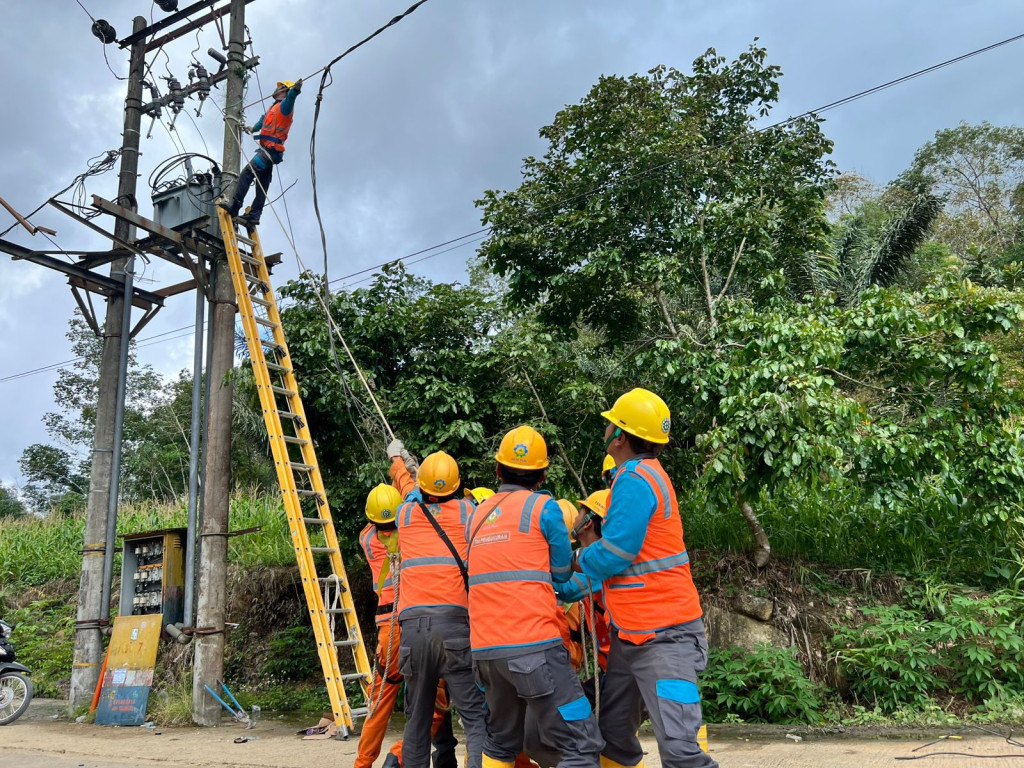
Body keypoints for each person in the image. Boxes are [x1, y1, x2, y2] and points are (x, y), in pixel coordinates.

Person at [572, 389, 717, 768]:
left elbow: (616, 554)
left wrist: (573, 559)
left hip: (664, 636)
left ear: (619, 436)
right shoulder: (640, 476)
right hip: (633, 635)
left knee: (681, 750)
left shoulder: (635, 480)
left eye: (610, 424)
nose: (605, 429)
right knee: (613, 734)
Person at [466, 425, 603, 768]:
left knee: (500, 743)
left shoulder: (475, 515)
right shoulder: (545, 509)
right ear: (542, 474)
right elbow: (560, 576)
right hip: (533, 649)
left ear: (497, 470)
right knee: (581, 741)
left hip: (485, 653)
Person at [396, 451, 488, 768]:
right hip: (455, 627)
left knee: (417, 721)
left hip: (413, 629)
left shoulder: (405, 515)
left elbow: (409, 491)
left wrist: (398, 462)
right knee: (475, 719)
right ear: (456, 486)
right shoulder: (468, 512)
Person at [356, 484, 457, 768]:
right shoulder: (412, 533)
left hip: (388, 632)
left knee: (379, 704)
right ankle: (399, 755)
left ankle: (362, 763)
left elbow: (379, 521)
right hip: (417, 627)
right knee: (434, 704)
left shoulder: (367, 539)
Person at [218, 79, 302, 228]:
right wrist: (253, 129)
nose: (276, 90)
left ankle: (235, 206)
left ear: (284, 90)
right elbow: (263, 121)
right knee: (262, 184)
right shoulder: (273, 108)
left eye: (280, 88)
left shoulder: (285, 107)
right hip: (269, 152)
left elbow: (291, 99)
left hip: (270, 151)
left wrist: (295, 90)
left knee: (247, 173)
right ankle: (254, 216)